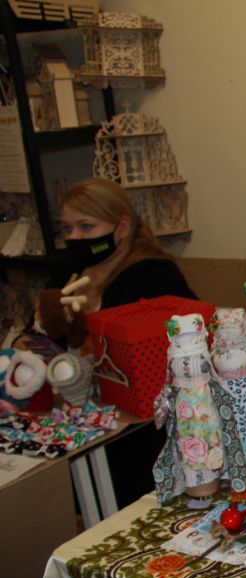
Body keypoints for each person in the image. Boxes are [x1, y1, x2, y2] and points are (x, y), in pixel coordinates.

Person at [31, 178, 197, 507]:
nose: (74, 238)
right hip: (79, 409)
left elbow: (139, 361)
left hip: (141, 427)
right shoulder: (70, 271)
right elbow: (36, 336)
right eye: (67, 228)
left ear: (121, 228)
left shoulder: (151, 276)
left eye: (86, 227)